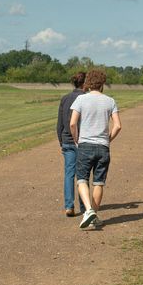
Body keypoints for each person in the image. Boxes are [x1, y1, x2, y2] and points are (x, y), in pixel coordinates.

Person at [69, 69, 121, 229]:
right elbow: (118, 125)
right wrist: (108, 139)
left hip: (85, 144)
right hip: (103, 146)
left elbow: (72, 123)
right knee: (99, 182)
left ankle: (89, 210)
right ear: (102, 83)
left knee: (82, 179)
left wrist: (76, 139)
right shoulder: (110, 101)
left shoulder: (81, 99)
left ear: (88, 83)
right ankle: (93, 216)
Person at [56, 71, 86, 216]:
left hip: (67, 139)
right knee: (82, 175)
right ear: (85, 83)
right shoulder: (86, 98)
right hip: (82, 140)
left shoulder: (65, 98)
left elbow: (60, 123)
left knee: (69, 173)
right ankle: (84, 206)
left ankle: (69, 206)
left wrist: (61, 141)